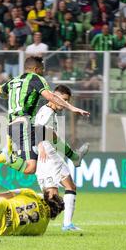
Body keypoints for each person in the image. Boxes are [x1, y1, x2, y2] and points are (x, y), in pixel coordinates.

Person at [0, 56, 90, 175]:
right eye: (42, 69)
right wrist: (72, 107)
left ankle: (74, 157)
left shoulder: (13, 81)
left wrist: (7, 96)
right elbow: (51, 96)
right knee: (30, 168)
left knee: (49, 132)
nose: (43, 72)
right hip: (24, 125)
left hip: (16, 125)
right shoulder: (36, 79)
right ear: (36, 69)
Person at [35, 85, 86, 231]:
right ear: (54, 97)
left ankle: (66, 224)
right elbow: (38, 128)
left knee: (61, 194)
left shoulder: (48, 111)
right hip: (50, 158)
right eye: (63, 100)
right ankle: (67, 224)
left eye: (67, 101)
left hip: (49, 158)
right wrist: (41, 146)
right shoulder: (47, 112)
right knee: (62, 194)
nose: (64, 104)